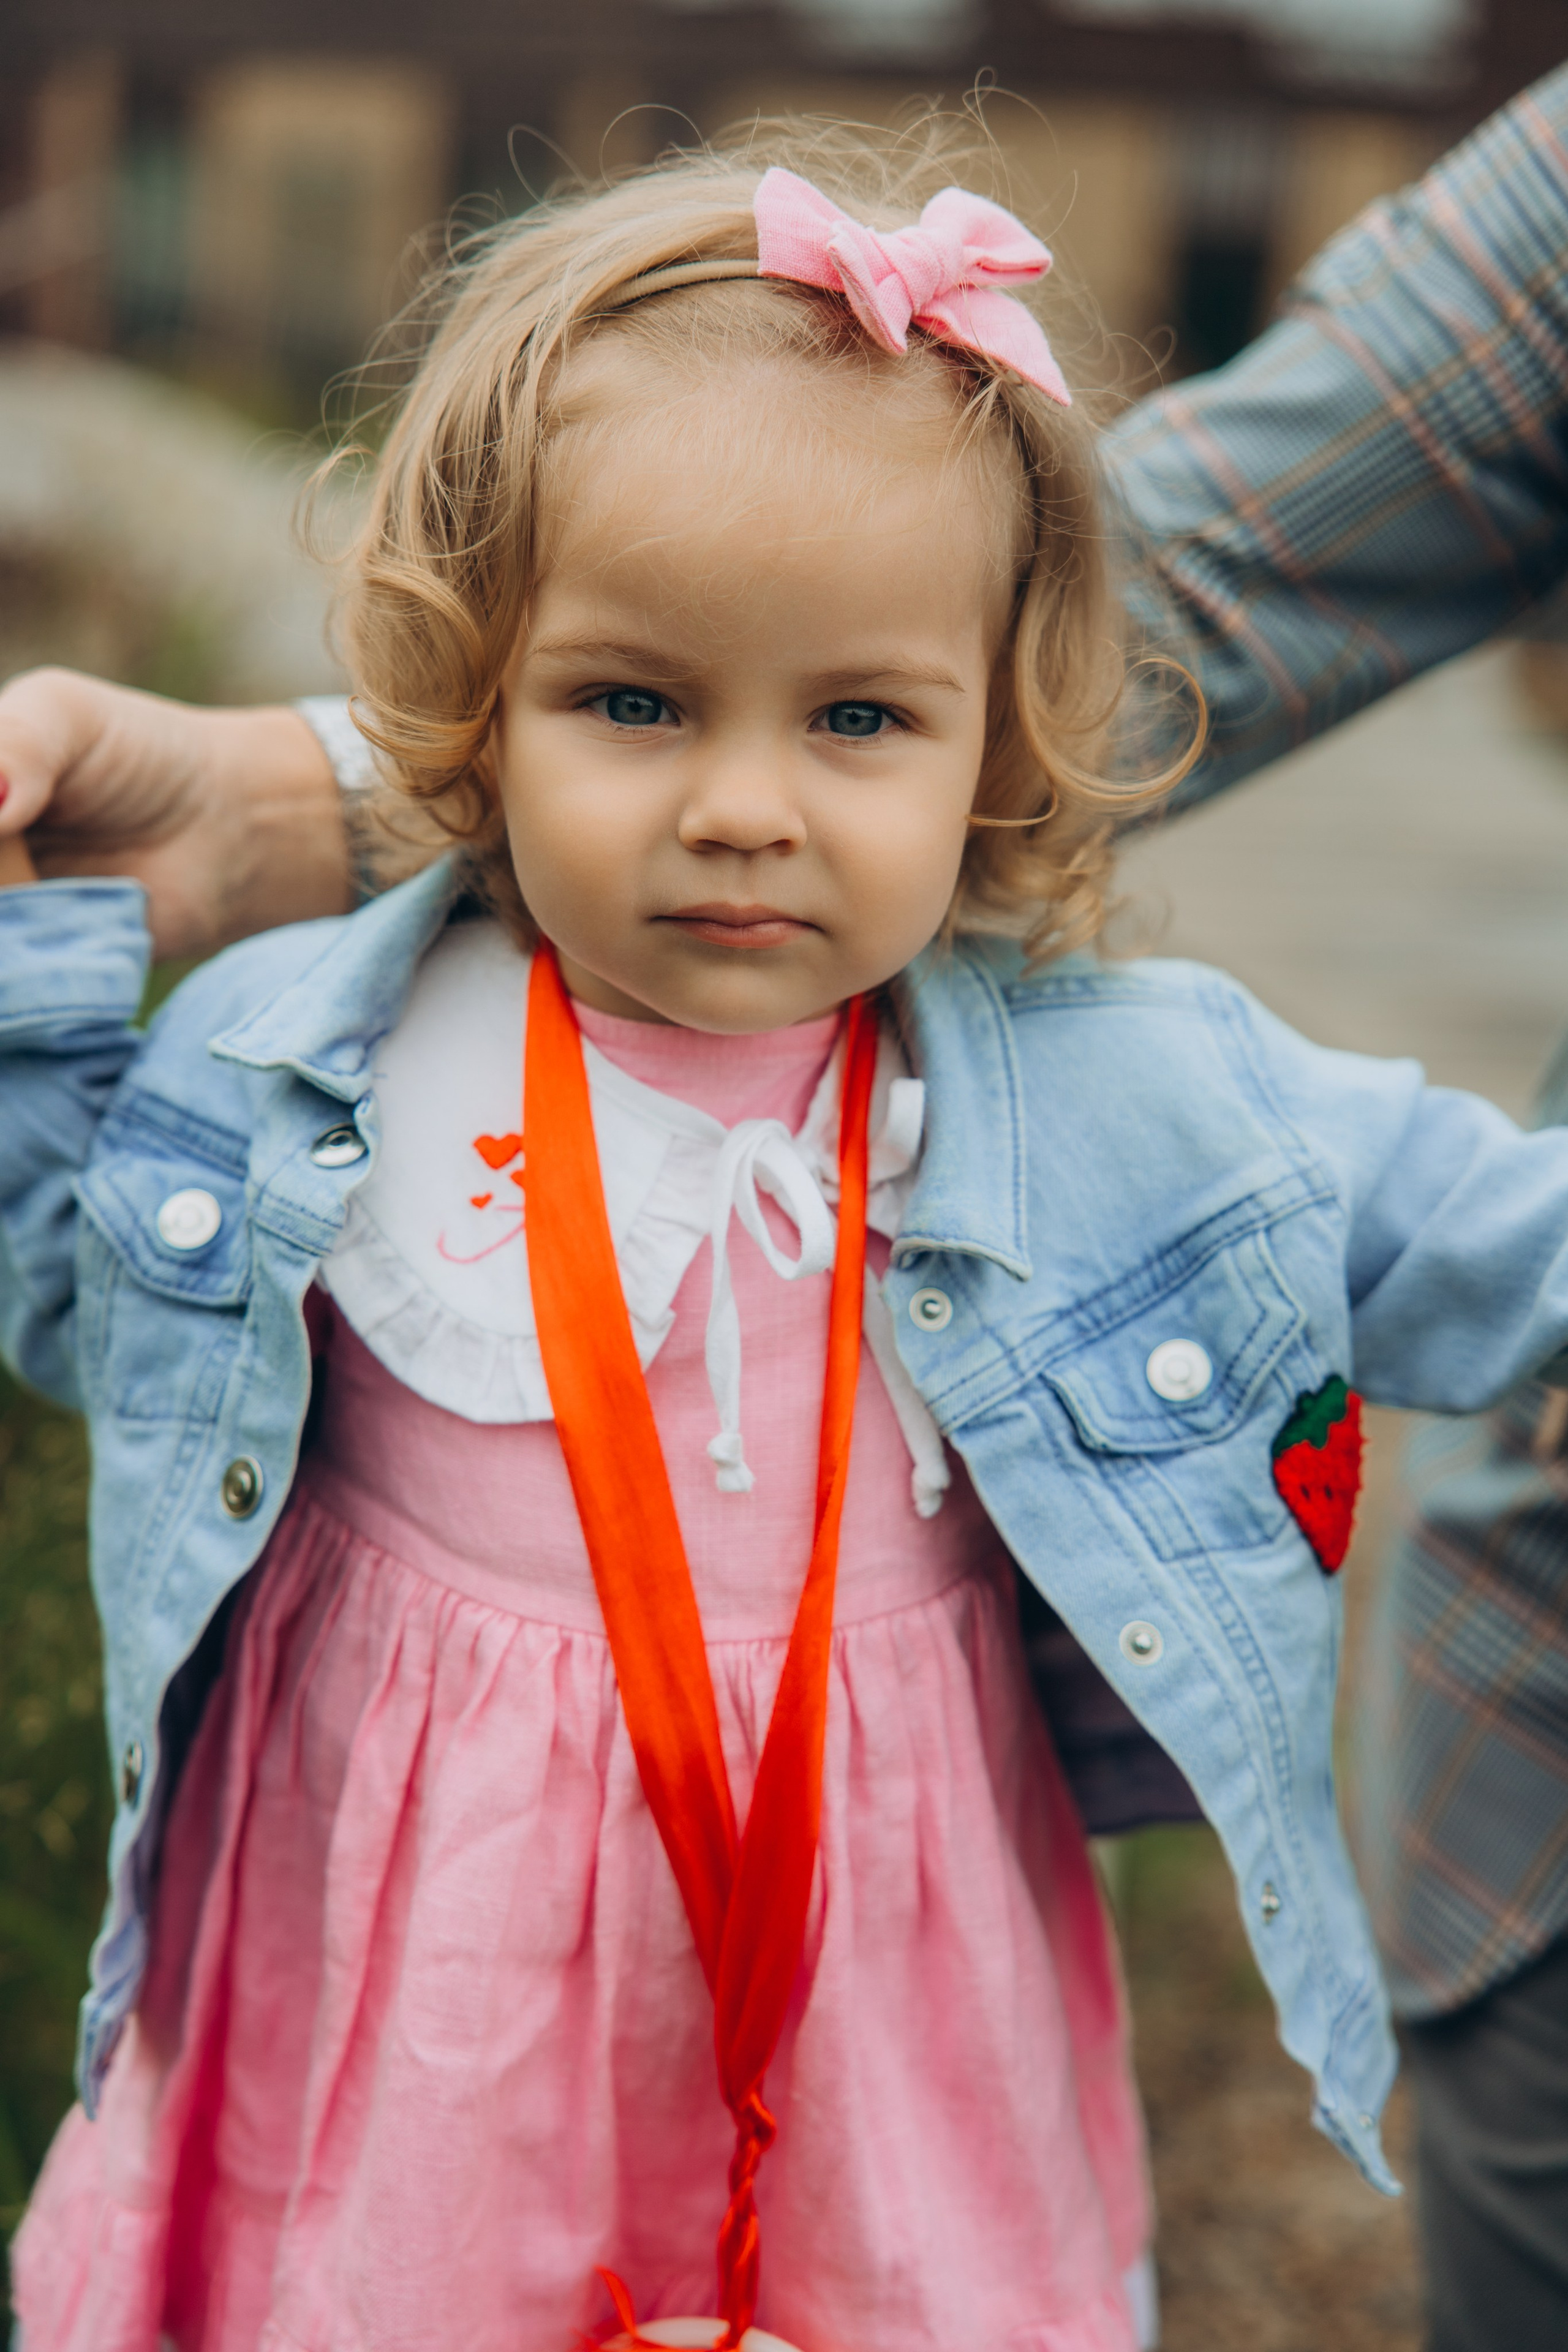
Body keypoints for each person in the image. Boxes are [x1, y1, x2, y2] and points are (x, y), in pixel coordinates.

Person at [7, 109, 1568, 2352]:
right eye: (631, 703)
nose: (742, 804)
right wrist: (38, 964)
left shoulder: (1140, 1096)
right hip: (408, 1989)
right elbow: (78, 1293)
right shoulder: (298, 1067)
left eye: (859, 719)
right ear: (475, 706)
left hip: (878, 2009)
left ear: (1001, 753)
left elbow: (1489, 1234)